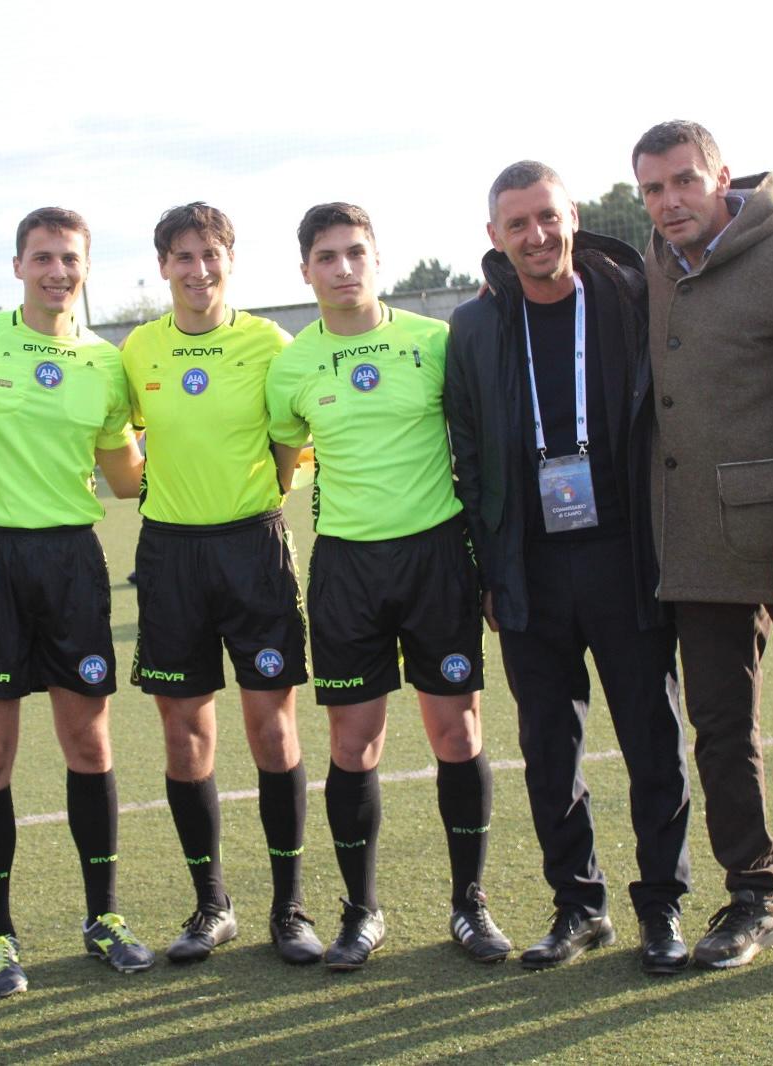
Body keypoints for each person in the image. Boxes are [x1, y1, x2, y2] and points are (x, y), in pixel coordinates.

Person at [445, 162, 692, 974]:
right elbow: (469, 454)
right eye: (517, 224)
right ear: (495, 236)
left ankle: (661, 906)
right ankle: (579, 905)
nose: (536, 235)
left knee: (653, 738)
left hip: (626, 557)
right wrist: (490, 569)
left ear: (573, 216)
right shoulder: (475, 327)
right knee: (549, 747)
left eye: (547, 217)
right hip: (531, 567)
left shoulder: (629, 299)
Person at [633, 119, 773, 973]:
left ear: (722, 176)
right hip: (698, 538)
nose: (669, 202)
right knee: (721, 730)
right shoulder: (655, 264)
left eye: (684, 181)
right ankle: (755, 894)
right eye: (653, 189)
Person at [265, 203, 509, 970]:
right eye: (327, 257)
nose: (343, 269)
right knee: (353, 742)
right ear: (305, 270)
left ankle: (469, 903)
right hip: (347, 568)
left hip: (437, 557)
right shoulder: (291, 366)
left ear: (378, 259)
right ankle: (361, 911)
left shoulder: (434, 342)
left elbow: (478, 444)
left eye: (356, 253)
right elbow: (279, 468)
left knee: (457, 734)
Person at [0, 207, 151, 994]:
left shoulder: (106, 364)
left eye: (70, 258)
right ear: (18, 266)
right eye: (43, 257)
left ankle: (104, 917)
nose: (57, 271)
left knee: (89, 747)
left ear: (85, 268)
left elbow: (125, 478)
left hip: (70, 561)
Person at [121, 203, 319, 965]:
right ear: (163, 266)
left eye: (210, 254)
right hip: (171, 557)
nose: (197, 270)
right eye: (183, 256)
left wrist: (252, 503)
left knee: (272, 728)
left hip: (252, 549)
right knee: (185, 734)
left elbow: (290, 446)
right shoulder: (138, 349)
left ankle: (289, 909)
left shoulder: (269, 343)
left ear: (230, 261)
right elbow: (115, 434)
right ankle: (212, 905)